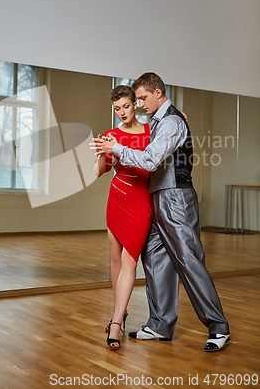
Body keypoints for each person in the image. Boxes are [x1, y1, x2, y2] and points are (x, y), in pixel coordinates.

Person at [91, 73, 230, 353]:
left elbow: (152, 160)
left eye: (142, 98)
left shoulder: (171, 121)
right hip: (156, 198)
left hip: (176, 197)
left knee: (188, 260)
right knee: (155, 259)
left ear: (158, 93)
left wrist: (115, 147)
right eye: (136, 99)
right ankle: (160, 324)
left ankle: (218, 326)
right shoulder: (163, 121)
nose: (139, 104)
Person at [94, 85, 153, 350]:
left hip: (141, 200)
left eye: (126, 106)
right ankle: (120, 311)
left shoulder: (151, 132)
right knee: (117, 258)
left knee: (131, 259)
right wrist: (100, 154)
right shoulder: (110, 135)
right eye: (117, 109)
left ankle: (116, 322)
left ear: (135, 105)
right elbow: (100, 172)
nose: (122, 113)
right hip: (117, 198)